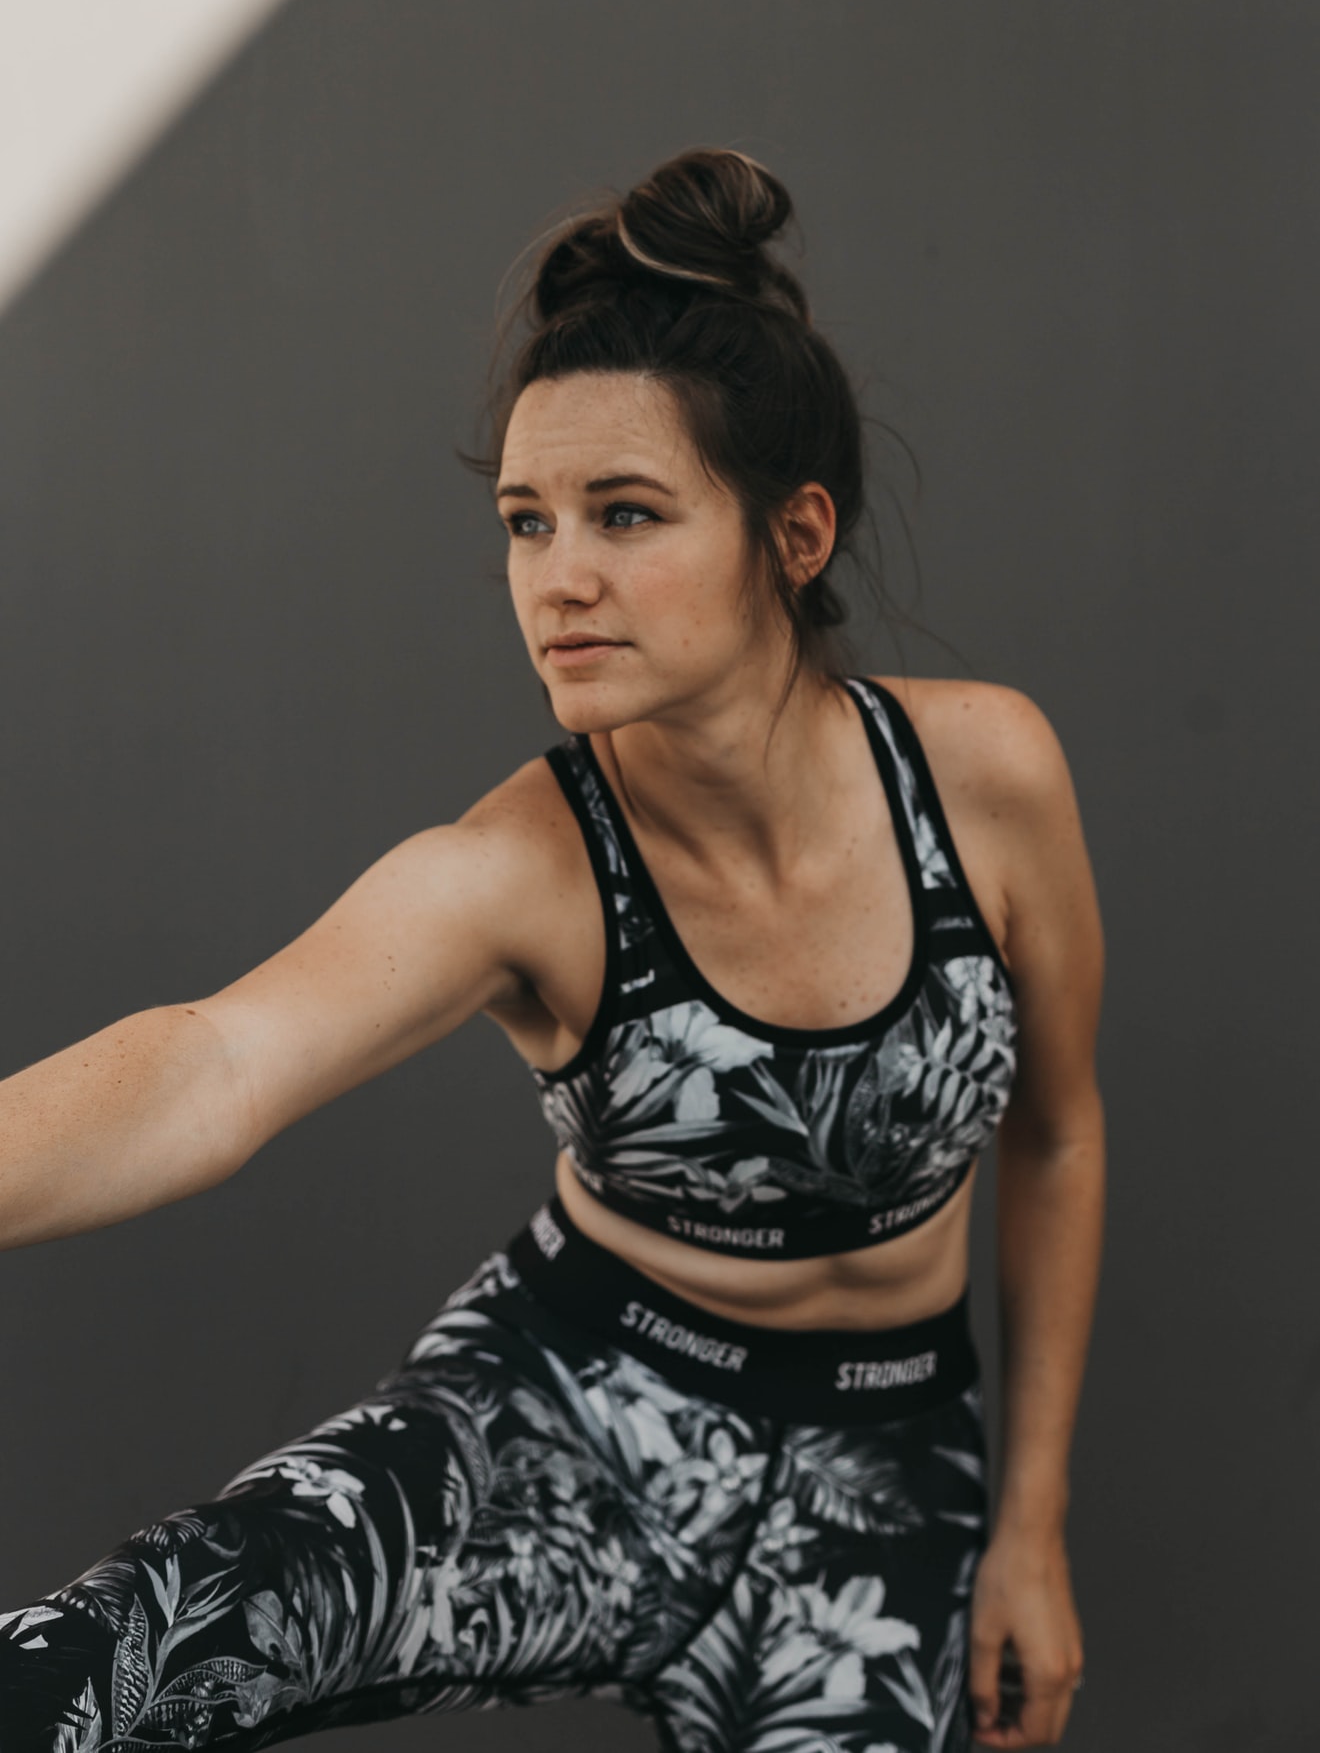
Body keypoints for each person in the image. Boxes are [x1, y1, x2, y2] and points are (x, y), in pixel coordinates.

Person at [0, 147, 1104, 1753]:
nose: (558, 578)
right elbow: (214, 1064)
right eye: (527, 522)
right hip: (563, 1419)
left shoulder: (986, 778)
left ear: (795, 533)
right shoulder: (522, 871)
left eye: (626, 514)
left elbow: (1058, 1133)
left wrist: (1031, 1523)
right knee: (90, 1666)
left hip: (880, 1488)